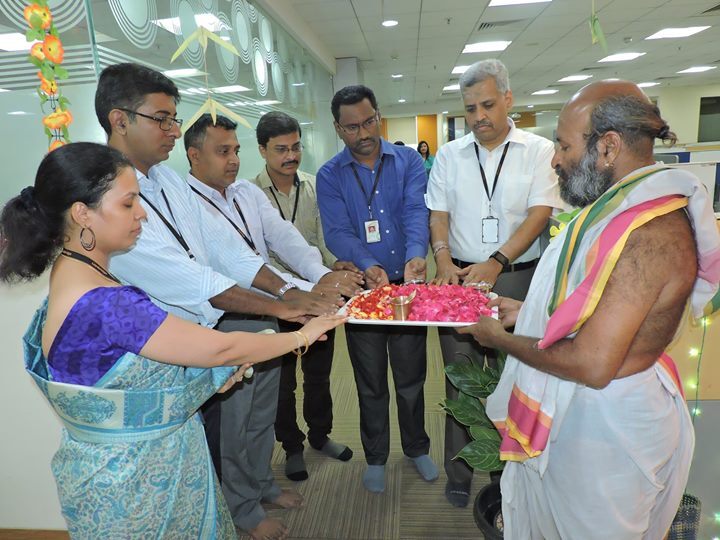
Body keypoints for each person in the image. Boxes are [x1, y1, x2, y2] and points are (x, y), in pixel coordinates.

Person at [0, 142, 345, 539]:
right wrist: (303, 334)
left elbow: (124, 381)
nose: (141, 213)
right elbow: (221, 348)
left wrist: (207, 378)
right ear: (83, 213)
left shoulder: (72, 273)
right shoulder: (107, 303)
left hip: (114, 470)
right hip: (138, 483)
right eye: (128, 203)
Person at [458, 80, 720, 538]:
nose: (555, 159)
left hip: (609, 429)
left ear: (608, 147)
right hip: (591, 415)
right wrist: (527, 311)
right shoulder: (619, 210)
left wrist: (498, 339)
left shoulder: (650, 233)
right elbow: (598, 304)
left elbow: (594, 364)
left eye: (563, 145)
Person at [95, 62, 337, 540]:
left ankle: (256, 488)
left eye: (174, 118)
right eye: (162, 119)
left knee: (253, 410)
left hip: (207, 325)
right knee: (213, 438)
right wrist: (282, 306)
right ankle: (238, 511)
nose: (172, 130)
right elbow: (188, 278)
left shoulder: (167, 181)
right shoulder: (107, 195)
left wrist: (289, 292)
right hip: (162, 348)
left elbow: (228, 252)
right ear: (120, 120)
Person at [184, 113, 362, 483]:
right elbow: (239, 264)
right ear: (194, 155)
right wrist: (299, 292)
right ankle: (244, 500)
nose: (233, 160)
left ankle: (262, 485)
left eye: (235, 150)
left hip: (271, 308)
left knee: (261, 413)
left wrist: (321, 277)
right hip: (228, 317)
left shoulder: (245, 194)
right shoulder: (188, 204)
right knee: (235, 419)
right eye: (222, 151)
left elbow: (284, 238)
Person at [425, 58, 562, 507]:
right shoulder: (450, 155)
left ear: (508, 99)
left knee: (517, 376)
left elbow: (540, 213)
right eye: (470, 108)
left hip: (519, 279)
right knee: (461, 379)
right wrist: (442, 257)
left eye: (487, 105)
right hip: (461, 280)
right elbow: (438, 213)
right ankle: (460, 471)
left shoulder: (538, 151)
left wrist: (498, 261)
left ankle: (511, 474)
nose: (479, 116)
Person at [317, 84, 438, 494]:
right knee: (369, 381)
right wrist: (368, 265)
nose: (363, 133)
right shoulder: (330, 175)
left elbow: (416, 210)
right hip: (363, 291)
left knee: (411, 376)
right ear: (338, 129)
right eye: (352, 127)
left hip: (405, 286)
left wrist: (416, 254)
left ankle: (417, 447)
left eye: (369, 122)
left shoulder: (408, 161)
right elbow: (336, 231)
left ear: (378, 117)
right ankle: (376, 457)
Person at [250, 111, 363, 482]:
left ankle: (320, 435)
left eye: (296, 147)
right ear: (262, 150)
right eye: (281, 149)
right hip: (275, 301)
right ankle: (292, 446)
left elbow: (325, 240)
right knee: (283, 383)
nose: (291, 156)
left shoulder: (315, 187)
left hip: (319, 297)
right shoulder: (249, 194)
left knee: (319, 376)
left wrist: (337, 266)